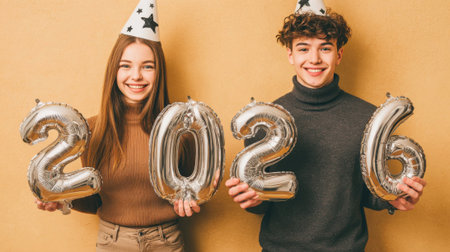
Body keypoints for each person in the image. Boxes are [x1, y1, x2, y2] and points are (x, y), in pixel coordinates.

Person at [225, 2, 426, 251]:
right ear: (290, 54)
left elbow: (366, 193)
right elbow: (264, 205)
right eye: (303, 48)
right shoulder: (265, 122)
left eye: (325, 48)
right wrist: (251, 200)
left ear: (339, 54)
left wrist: (393, 198)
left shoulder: (369, 118)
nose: (314, 59)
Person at [35, 1, 199, 251]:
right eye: (126, 66)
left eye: (147, 66)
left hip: (166, 242)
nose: (136, 76)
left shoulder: (181, 131)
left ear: (159, 72)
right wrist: (63, 200)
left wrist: (194, 199)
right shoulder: (90, 130)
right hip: (113, 242)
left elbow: (191, 193)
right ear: (114, 71)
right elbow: (95, 199)